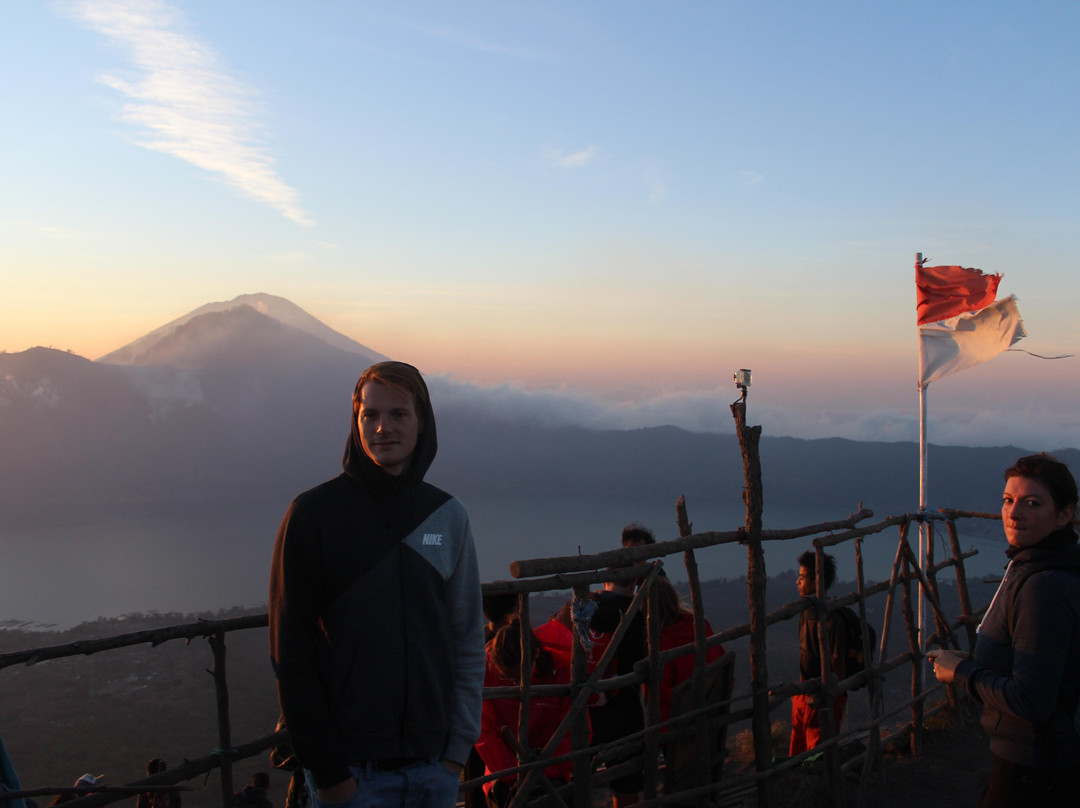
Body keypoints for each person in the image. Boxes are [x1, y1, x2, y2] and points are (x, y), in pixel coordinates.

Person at [269, 361, 485, 808]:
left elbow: (465, 637)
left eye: (399, 414)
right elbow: (291, 654)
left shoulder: (447, 516)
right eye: (370, 415)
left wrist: (454, 754)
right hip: (350, 776)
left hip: (433, 770)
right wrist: (329, 774)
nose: (383, 427)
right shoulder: (314, 515)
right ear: (356, 421)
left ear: (422, 421)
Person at [929, 453, 1080, 807]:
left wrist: (962, 673)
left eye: (1032, 503)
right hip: (1044, 759)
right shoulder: (1040, 567)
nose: (1014, 513)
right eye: (1008, 501)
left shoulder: (1044, 585)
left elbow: (1032, 701)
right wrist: (979, 662)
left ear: (1064, 515)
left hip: (1035, 768)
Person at [475, 618, 574, 807]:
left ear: (536, 654)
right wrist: (514, 774)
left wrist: (543, 770)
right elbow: (484, 732)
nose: (516, 684)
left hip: (552, 771)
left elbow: (573, 732)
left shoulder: (561, 673)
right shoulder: (488, 673)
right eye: (508, 677)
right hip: (504, 774)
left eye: (521, 675)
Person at [789, 549, 848, 756]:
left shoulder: (831, 621)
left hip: (823, 693)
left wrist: (829, 693)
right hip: (805, 689)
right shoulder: (807, 611)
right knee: (798, 746)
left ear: (816, 581)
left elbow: (838, 663)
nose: (798, 581)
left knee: (817, 750)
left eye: (803, 578)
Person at [648, 577, 726, 725]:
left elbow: (660, 700)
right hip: (712, 711)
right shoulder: (699, 627)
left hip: (679, 725)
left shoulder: (661, 644)